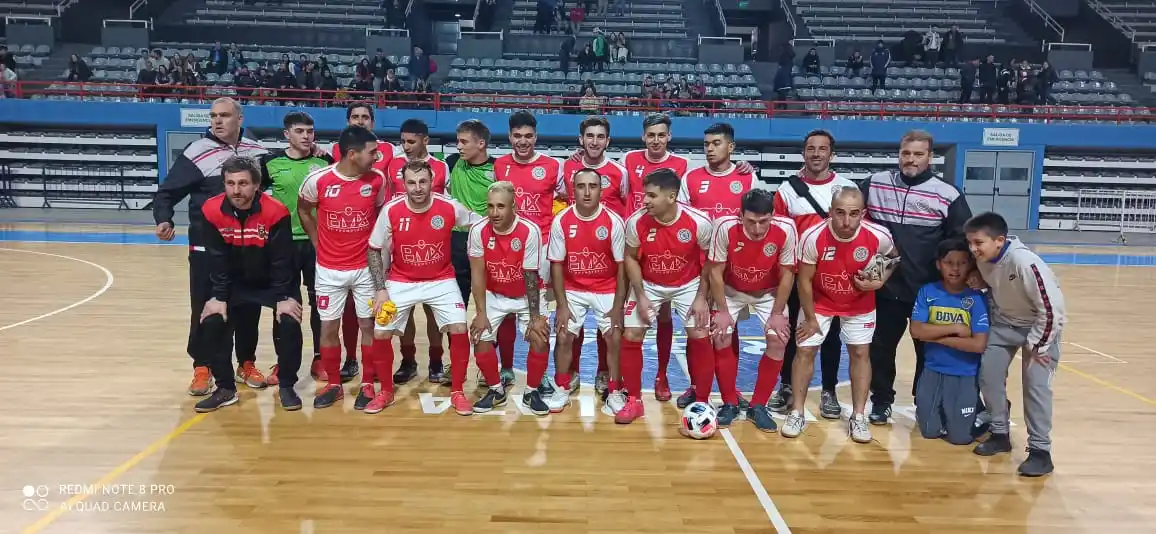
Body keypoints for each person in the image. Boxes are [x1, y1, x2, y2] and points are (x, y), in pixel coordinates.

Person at [152, 97, 269, 396]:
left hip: (248, 245)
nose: (217, 121)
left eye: (225, 115)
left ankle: (246, 362)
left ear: (239, 118)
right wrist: (164, 218)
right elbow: (167, 192)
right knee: (204, 307)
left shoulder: (257, 151)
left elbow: (273, 185)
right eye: (214, 116)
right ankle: (202, 367)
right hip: (206, 246)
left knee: (247, 308)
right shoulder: (197, 152)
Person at [860, 130, 971, 425]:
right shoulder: (874, 184)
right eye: (906, 153)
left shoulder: (948, 194)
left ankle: (925, 402)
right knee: (881, 350)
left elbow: (960, 243)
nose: (910, 160)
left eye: (918, 154)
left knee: (928, 351)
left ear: (929, 157)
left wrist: (956, 283)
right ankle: (881, 401)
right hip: (884, 288)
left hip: (927, 290)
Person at [367, 160, 483, 415]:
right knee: (381, 332)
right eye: (411, 182)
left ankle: (458, 392)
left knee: (459, 327)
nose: (418, 188)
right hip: (401, 280)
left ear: (432, 182)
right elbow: (374, 249)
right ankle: (385, 392)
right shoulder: (391, 210)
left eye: (423, 182)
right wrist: (380, 289)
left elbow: (477, 222)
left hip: (441, 280)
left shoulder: (449, 207)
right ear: (403, 184)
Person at [782, 186, 896, 444]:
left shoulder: (879, 235)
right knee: (805, 350)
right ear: (831, 212)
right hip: (819, 303)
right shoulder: (813, 236)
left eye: (854, 214)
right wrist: (810, 319)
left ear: (863, 213)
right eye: (841, 213)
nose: (847, 221)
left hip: (859, 302)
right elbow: (804, 282)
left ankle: (858, 416)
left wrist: (880, 280)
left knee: (860, 353)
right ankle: (797, 412)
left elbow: (894, 258)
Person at [194, 157, 305, 413]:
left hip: (270, 280)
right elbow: (216, 257)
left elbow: (282, 260)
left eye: (243, 183)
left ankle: (287, 384)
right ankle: (225, 389)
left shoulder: (275, 211)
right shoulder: (211, 211)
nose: (236, 190)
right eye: (230, 183)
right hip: (233, 282)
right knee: (212, 321)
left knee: (289, 321)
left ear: (256, 185)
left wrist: (283, 297)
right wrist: (218, 296)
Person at [965, 212, 1063, 477]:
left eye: (978, 243)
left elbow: (1053, 309)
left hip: (1039, 329)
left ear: (999, 240)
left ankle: (1041, 451)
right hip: (1004, 325)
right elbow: (997, 282)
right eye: (970, 243)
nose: (973, 249)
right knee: (989, 375)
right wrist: (980, 280)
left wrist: (1038, 346)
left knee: (1036, 387)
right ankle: (999, 434)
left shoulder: (1025, 262)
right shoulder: (985, 258)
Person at [769, 129, 858, 420]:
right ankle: (786, 387)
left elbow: (855, 231)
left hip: (834, 274)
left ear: (832, 154)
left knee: (830, 336)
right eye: (811, 148)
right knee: (795, 334)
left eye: (822, 149)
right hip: (797, 273)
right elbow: (780, 232)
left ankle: (829, 391)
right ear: (803, 153)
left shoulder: (847, 187)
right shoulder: (787, 189)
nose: (816, 154)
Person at [298, 125, 388, 409]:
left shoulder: (377, 180)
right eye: (372, 152)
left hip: (365, 268)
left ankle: (368, 384)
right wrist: (316, 242)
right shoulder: (318, 180)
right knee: (328, 327)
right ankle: (334, 383)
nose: (377, 157)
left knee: (367, 325)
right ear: (352, 154)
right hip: (328, 269)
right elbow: (303, 209)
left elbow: (377, 216)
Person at [621, 169, 713, 424]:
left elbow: (709, 262)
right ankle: (635, 401)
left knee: (699, 334)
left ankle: (703, 403)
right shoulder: (636, 222)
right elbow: (630, 257)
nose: (645, 201)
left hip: (688, 283)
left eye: (652, 195)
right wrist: (640, 295)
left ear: (671, 196)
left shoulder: (699, 221)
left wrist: (701, 297)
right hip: (649, 283)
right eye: (644, 194)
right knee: (631, 334)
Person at [676, 122, 755, 410]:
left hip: (731, 269)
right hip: (696, 268)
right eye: (707, 143)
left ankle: (729, 389)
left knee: (727, 328)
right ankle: (698, 387)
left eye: (717, 143)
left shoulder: (747, 178)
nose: (710, 148)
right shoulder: (692, 178)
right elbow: (681, 221)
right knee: (695, 329)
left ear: (731, 147)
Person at [707, 189, 798, 430]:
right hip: (731, 290)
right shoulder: (724, 226)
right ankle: (729, 402)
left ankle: (758, 405)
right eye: (751, 221)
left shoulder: (787, 228)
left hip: (768, 292)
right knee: (721, 335)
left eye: (763, 221)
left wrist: (778, 313)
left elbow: (788, 273)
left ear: (772, 215)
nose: (757, 228)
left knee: (778, 340)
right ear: (740, 215)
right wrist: (724, 311)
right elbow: (715, 271)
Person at [493, 111, 570, 389]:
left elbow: (564, 198)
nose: (522, 142)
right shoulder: (500, 165)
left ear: (536, 137)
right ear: (510, 136)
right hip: (507, 247)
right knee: (507, 310)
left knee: (540, 313)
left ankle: (542, 371)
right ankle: (507, 368)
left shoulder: (553, 166)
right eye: (517, 136)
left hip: (543, 249)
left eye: (528, 136)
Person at [326, 102, 399, 384]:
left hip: (374, 243)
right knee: (345, 311)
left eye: (365, 117)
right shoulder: (336, 150)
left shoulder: (388, 152)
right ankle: (350, 359)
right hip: (343, 243)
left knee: (375, 310)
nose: (360, 120)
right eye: (355, 117)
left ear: (373, 121)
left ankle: (378, 365)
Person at [546, 169, 628, 416]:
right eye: (581, 186)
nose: (587, 191)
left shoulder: (614, 221)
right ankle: (561, 387)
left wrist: (618, 307)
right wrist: (561, 305)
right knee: (562, 335)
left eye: (593, 186)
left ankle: (614, 391)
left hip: (607, 287)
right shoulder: (561, 220)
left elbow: (623, 268)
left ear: (601, 190)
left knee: (614, 336)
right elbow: (557, 265)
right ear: (573, 190)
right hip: (573, 287)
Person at [259, 111, 332, 386]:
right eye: (300, 131)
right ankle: (284, 362)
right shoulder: (269, 163)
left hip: (317, 243)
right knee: (285, 306)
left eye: (310, 131)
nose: (306, 136)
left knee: (320, 305)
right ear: (286, 135)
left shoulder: (325, 162)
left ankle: (320, 358)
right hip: (282, 246)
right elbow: (255, 198)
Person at [467, 181, 551, 413]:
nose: (494, 213)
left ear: (514, 206)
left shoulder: (529, 230)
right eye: (490, 206)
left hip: (527, 293)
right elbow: (477, 274)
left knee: (540, 336)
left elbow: (530, 277)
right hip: (495, 293)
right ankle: (496, 390)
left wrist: (535, 317)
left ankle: (532, 391)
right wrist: (481, 313)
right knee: (479, 335)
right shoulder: (478, 230)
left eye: (501, 206)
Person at [561, 116, 629, 396]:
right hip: (576, 254)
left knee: (608, 325)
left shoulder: (619, 172)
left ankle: (604, 372)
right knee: (571, 324)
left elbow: (626, 203)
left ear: (608, 141)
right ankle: (572, 371)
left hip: (608, 258)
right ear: (581, 140)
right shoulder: (568, 168)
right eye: (589, 136)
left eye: (600, 137)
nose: (594, 142)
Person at [382, 118, 450, 386]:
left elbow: (448, 203)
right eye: (403, 142)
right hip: (401, 251)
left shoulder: (442, 168)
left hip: (435, 250)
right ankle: (408, 361)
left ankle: (435, 361)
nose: (406, 147)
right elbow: (388, 203)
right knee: (404, 311)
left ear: (425, 140)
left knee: (434, 312)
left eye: (411, 141)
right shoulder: (393, 166)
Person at [909, 238, 989, 445]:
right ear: (938, 264)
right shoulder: (928, 292)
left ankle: (986, 412)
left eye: (962, 263)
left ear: (970, 265)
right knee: (929, 432)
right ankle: (950, 413)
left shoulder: (977, 298)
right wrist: (954, 330)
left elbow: (978, 345)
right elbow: (916, 330)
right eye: (949, 262)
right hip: (932, 370)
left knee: (960, 439)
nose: (955, 269)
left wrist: (936, 337)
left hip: (965, 372)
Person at [443, 120, 498, 376]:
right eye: (458, 141)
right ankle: (458, 365)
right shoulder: (452, 163)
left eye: (464, 141)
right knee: (455, 309)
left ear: (481, 143)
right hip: (456, 243)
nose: (459, 146)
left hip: (489, 244)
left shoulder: (499, 169)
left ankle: (489, 366)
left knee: (491, 309)